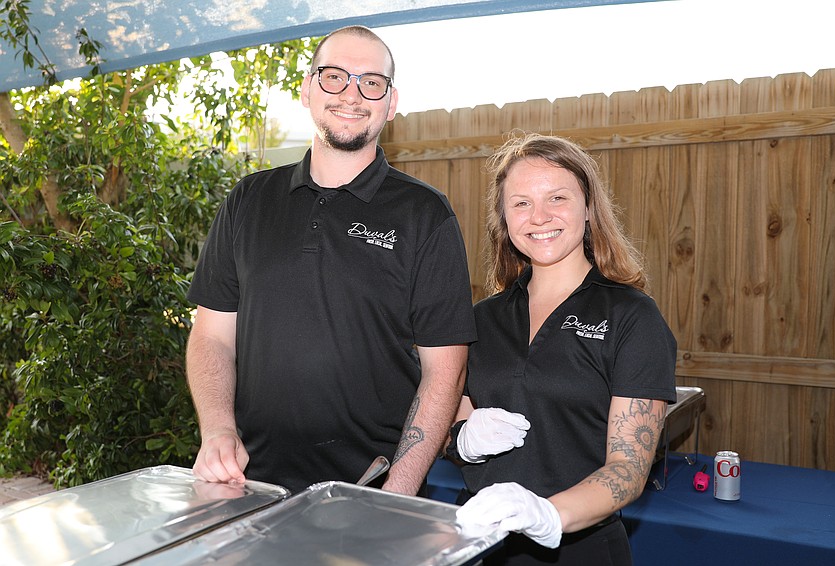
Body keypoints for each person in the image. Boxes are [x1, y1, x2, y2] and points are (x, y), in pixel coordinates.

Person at [185, 25, 476, 497]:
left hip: (369, 490)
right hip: (246, 484)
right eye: (335, 76)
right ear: (306, 88)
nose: (352, 94)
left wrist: (395, 494)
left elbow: (445, 370)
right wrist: (218, 429)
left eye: (371, 82)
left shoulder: (425, 214)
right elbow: (212, 335)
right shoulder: (248, 200)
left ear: (391, 102)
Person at [450, 133, 677, 565]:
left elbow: (627, 470)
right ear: (503, 217)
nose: (539, 216)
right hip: (480, 544)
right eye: (520, 203)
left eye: (557, 198)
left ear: (588, 208)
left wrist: (549, 514)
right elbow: (449, 421)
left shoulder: (633, 317)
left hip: (580, 551)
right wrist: (463, 441)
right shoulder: (480, 319)